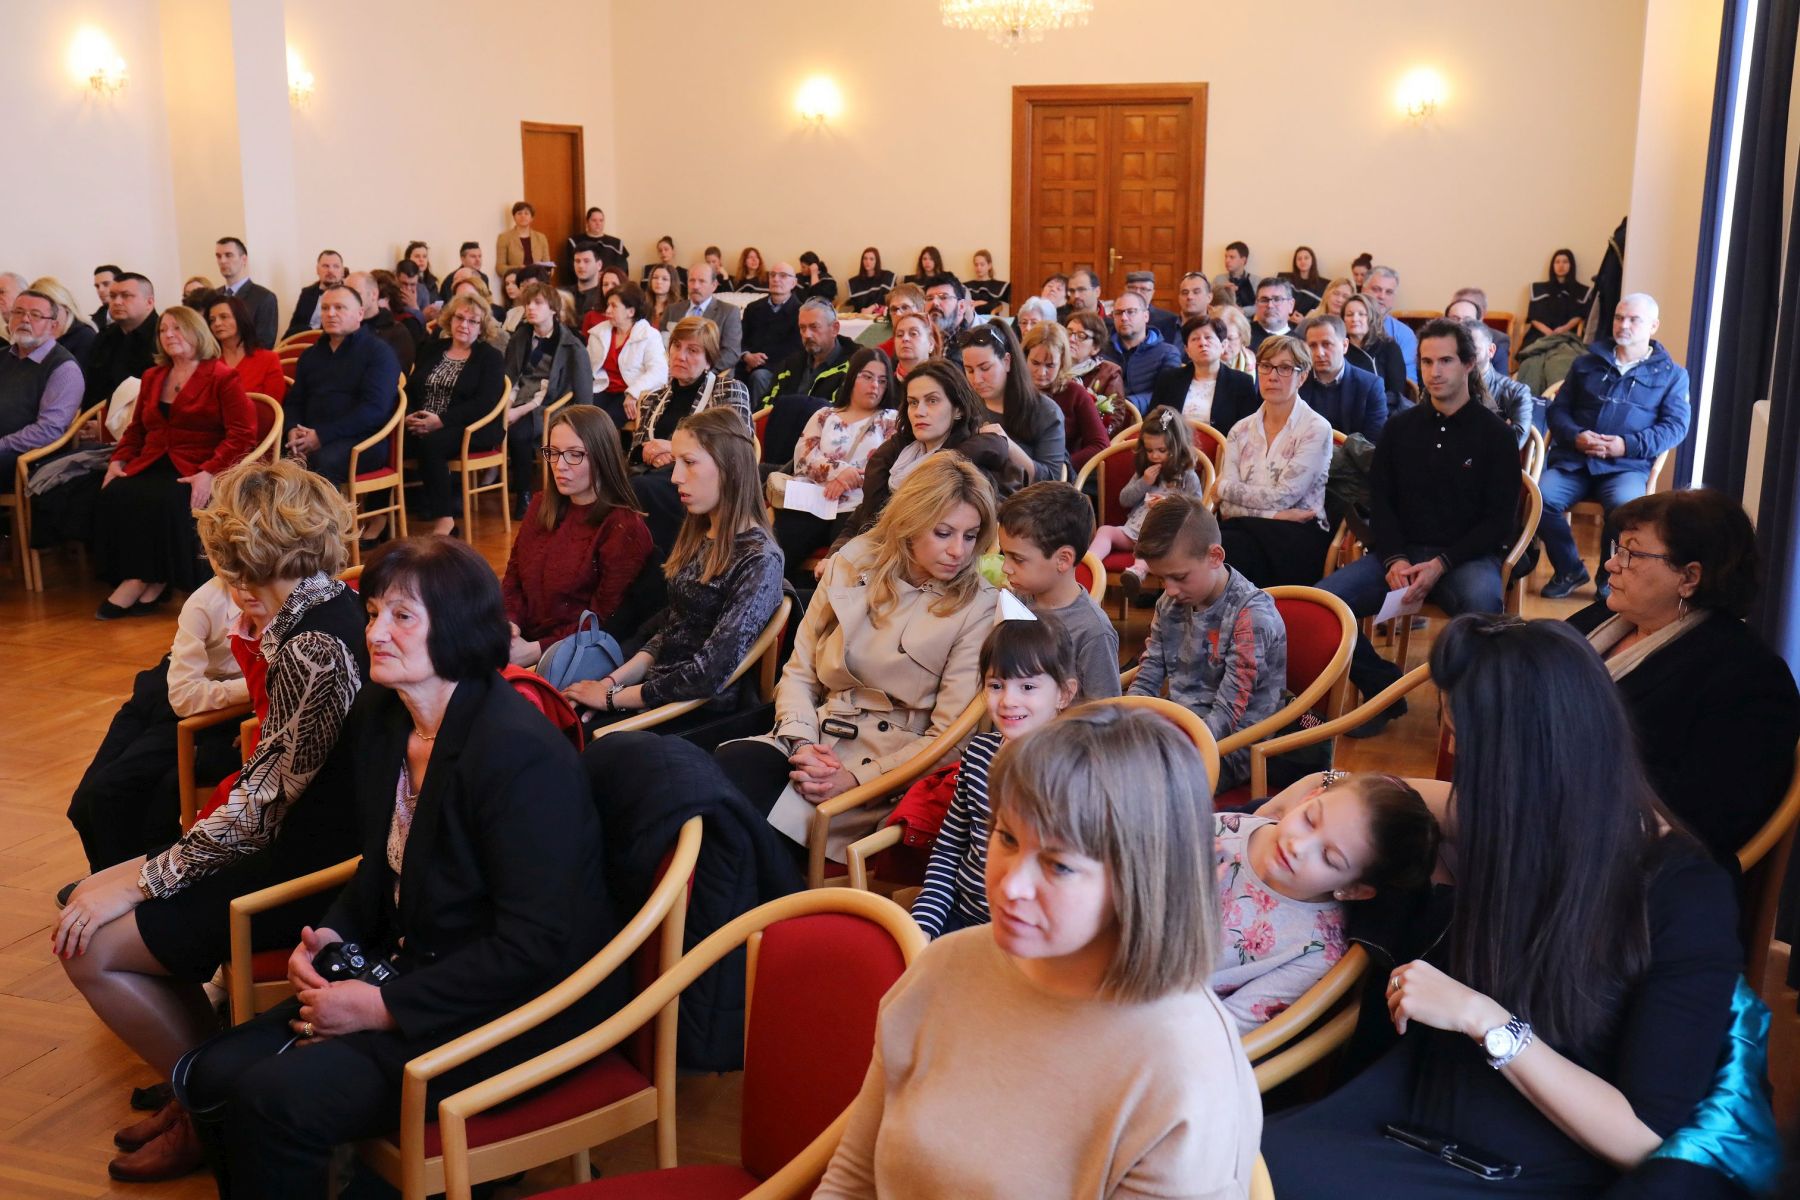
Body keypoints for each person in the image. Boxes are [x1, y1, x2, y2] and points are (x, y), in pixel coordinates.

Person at [175, 535, 623, 1200]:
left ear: (461, 631)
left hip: (514, 1009)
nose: (376, 632)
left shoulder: (517, 754)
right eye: (374, 612)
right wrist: (327, 938)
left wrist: (384, 1007)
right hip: (420, 966)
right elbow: (377, 867)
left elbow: (537, 944)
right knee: (209, 1076)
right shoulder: (386, 718)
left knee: (272, 1099)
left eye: (401, 617)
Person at [1265, 615, 1750, 1200]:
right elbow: (1414, 800)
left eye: (1463, 742)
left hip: (1534, 1154)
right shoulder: (1517, 822)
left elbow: (1644, 1138)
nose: (1453, 753)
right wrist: (1324, 786)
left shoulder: (1684, 896)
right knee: (1214, 1160)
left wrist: (1485, 1020)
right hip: (1427, 1105)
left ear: (1528, 763)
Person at [57, 459, 367, 1183]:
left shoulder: (315, 643)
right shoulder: (318, 611)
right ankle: (198, 1090)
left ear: (242, 552)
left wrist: (144, 880)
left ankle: (204, 1102)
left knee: (87, 947)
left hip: (308, 875)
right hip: (290, 846)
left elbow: (260, 810)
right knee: (84, 907)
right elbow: (263, 791)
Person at [814, 705, 1261, 1199]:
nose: (1010, 885)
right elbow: (854, 1174)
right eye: (1007, 837)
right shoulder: (944, 966)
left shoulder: (1182, 1069)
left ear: (1142, 881)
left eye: (1058, 865)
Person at [718, 453, 1000, 862]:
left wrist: (854, 779)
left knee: (738, 815)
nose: (958, 551)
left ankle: (753, 918)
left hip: (888, 771)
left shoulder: (978, 607)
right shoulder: (853, 561)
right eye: (943, 533)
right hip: (815, 740)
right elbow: (799, 673)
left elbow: (948, 740)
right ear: (910, 523)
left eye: (971, 536)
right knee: (725, 772)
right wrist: (802, 744)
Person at [1567, 489, 1800, 863]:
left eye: (1632, 553)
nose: (1611, 565)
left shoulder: (1747, 678)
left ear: (1690, 577)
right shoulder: (1602, 619)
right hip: (1547, 824)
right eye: (1617, 548)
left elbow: (1705, 819)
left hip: (1626, 872)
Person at [1317, 319, 1520, 733]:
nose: (1434, 372)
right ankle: (1382, 692)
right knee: (1323, 607)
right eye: (1426, 361)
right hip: (1400, 555)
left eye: (1445, 360)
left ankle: (1472, 724)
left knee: (1484, 613)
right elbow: (1382, 502)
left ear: (1468, 364)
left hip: (1464, 559)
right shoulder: (1400, 428)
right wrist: (1393, 558)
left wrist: (1441, 564)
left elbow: (1499, 520)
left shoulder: (1495, 434)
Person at [563, 407, 785, 730]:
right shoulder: (699, 530)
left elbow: (707, 675)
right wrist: (612, 682)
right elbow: (673, 629)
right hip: (657, 693)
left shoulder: (760, 558)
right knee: (563, 717)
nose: (675, 476)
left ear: (731, 468)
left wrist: (613, 697)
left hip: (699, 712)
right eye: (676, 462)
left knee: (573, 737)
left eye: (689, 462)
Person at [1212, 773, 1438, 1031]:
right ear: (1310, 797)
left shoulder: (1316, 951)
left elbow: (1225, 1028)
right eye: (1309, 819)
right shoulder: (1226, 829)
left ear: (1353, 889)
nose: (1298, 846)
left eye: (1329, 857)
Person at [910, 618, 1082, 938]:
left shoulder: (1074, 775)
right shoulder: (978, 754)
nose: (1008, 701)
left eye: (1027, 687)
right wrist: (923, 924)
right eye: (996, 685)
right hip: (961, 918)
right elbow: (949, 849)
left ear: (1063, 694)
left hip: (1030, 931)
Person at [66, 577, 248, 872]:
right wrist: (252, 688)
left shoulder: (279, 597)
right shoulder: (205, 601)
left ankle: (128, 885)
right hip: (173, 691)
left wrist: (254, 694)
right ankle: (110, 880)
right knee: (83, 805)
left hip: (211, 710)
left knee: (111, 794)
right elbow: (184, 694)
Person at [95, 307, 259, 618]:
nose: (169, 335)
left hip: (199, 464)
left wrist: (209, 472)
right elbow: (137, 429)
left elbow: (242, 435)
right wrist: (118, 460)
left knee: (169, 499)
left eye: (178, 328)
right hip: (154, 459)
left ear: (197, 332)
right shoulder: (154, 375)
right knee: (117, 492)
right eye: (163, 330)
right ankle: (145, 577)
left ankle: (148, 580)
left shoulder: (222, 376)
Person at [1127, 495, 1287, 789]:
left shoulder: (1252, 617)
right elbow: (1148, 675)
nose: (1170, 590)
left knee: (1138, 786)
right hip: (1181, 731)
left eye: (1179, 577)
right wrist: (1127, 722)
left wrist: (1166, 745)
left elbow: (1227, 716)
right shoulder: (1169, 603)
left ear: (1215, 556)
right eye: (1162, 579)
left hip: (1232, 746)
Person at [1538, 293, 1690, 600]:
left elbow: (1675, 427)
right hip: (1575, 461)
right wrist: (1577, 436)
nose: (1624, 325)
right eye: (1620, 318)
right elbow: (1557, 410)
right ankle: (1569, 569)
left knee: (1627, 508)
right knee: (1539, 497)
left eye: (1634, 319)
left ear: (1653, 326)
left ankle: (1608, 577)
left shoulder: (1672, 375)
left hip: (1626, 466)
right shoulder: (1585, 363)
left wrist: (1625, 446)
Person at [504, 404, 653, 666]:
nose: (560, 466)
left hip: (571, 655)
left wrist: (536, 650)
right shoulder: (541, 505)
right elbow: (514, 577)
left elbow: (603, 619)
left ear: (602, 457)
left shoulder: (622, 526)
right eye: (553, 453)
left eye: (574, 455)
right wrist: (509, 623)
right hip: (520, 642)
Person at [831, 360, 1018, 556]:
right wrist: (835, 554)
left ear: (958, 410)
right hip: (884, 556)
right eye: (913, 402)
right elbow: (863, 515)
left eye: (932, 401)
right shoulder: (898, 455)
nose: (919, 412)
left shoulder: (969, 466)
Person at [769, 346, 901, 582]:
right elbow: (803, 457)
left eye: (882, 381)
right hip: (814, 501)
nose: (875, 386)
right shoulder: (825, 415)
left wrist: (852, 478)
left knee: (846, 563)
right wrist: (841, 473)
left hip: (857, 505)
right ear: (852, 377)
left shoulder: (890, 419)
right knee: (777, 554)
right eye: (868, 377)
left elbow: (892, 464)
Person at [1215, 335, 1336, 588]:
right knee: (1216, 547)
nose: (1272, 376)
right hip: (1249, 526)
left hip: (1298, 533)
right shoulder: (1240, 430)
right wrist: (1276, 514)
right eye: (1266, 366)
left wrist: (1224, 488)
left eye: (1284, 368)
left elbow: (1285, 496)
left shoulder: (1315, 428)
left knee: (1223, 552)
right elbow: (1226, 509)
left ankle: (1233, 623)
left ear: (1301, 377)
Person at [631, 315, 754, 551]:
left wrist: (674, 451)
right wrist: (647, 450)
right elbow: (636, 448)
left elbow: (738, 447)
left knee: (639, 489)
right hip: (650, 475)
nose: (681, 355)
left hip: (702, 480)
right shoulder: (653, 397)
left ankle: (660, 565)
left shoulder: (728, 389)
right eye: (677, 346)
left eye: (693, 350)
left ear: (708, 360)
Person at [996, 481, 1121, 699]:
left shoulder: (1093, 631)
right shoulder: (1017, 600)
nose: (1006, 567)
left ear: (1063, 560)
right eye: (1004, 555)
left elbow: (1107, 714)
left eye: (1017, 559)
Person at [403, 293, 507, 536]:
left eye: (473, 321)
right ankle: (381, 520)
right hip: (423, 423)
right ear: (449, 319)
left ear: (481, 327)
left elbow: (484, 403)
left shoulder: (489, 357)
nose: (464, 325)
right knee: (388, 442)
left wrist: (440, 421)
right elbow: (409, 389)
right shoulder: (432, 348)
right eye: (460, 318)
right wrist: (408, 416)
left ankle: (445, 521)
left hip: (472, 427)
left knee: (431, 444)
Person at [282, 283, 403, 488]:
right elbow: (295, 402)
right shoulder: (311, 355)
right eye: (325, 308)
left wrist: (322, 435)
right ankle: (290, 521)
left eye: (339, 307)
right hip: (311, 436)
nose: (330, 314)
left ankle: (330, 521)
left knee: (321, 462)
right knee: (276, 463)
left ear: (360, 313)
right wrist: (293, 429)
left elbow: (374, 410)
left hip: (363, 440)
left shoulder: (379, 353)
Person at [1088, 404, 1205, 589]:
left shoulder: (1187, 476)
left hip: (1162, 535)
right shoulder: (1145, 471)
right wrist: (1144, 482)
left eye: (1161, 450)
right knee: (1106, 531)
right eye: (1150, 451)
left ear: (1176, 446)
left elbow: (1198, 507)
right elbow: (1124, 500)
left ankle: (1137, 572)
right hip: (1132, 531)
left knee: (1151, 545)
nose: (1155, 456)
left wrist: (1169, 505)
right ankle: (1089, 566)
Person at [503, 279, 592, 516]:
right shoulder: (520, 336)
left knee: (518, 433)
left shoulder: (571, 344)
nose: (530, 308)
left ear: (553, 309)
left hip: (549, 406)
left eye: (538, 303)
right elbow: (511, 376)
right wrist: (506, 407)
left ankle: (523, 494)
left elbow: (581, 389)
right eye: (528, 303)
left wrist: (518, 412)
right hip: (515, 401)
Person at [956, 320, 1067, 482]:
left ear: (1006, 362)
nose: (977, 379)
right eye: (969, 370)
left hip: (1026, 501)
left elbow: (1052, 481)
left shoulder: (1045, 411)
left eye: (985, 368)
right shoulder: (965, 405)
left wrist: (1007, 444)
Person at [759, 298, 859, 470]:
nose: (807, 335)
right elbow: (766, 403)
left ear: (834, 328)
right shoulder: (790, 364)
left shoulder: (854, 365)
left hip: (825, 455)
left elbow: (845, 412)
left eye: (814, 327)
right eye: (802, 328)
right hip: (780, 449)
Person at [0, 289, 84, 485]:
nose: (25, 320)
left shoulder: (63, 368)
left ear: (53, 326)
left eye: (35, 315)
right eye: (18, 312)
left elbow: (48, 430)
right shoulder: (3, 356)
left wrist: (2, 445)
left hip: (26, 457)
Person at [1020, 321, 1108, 473]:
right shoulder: (1012, 389)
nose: (1041, 373)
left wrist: (1063, 466)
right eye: (1035, 363)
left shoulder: (1075, 393)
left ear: (1062, 363)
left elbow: (1100, 444)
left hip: (1059, 478)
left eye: (1050, 365)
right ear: (1024, 357)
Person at [1150, 314, 1261, 433]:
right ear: (1187, 350)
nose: (1202, 343)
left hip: (1223, 448)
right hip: (1174, 448)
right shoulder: (1170, 379)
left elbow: (1246, 429)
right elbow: (1159, 422)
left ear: (1223, 345)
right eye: (1195, 339)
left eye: (1208, 337)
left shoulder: (1241, 382)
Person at [585, 281, 668, 434]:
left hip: (630, 392)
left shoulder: (649, 335)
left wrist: (634, 393)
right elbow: (586, 368)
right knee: (583, 417)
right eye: (608, 305)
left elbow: (659, 372)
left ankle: (602, 456)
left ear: (630, 312)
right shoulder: (598, 333)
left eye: (614, 306)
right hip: (602, 388)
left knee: (603, 423)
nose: (608, 310)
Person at [1297, 314, 1388, 442]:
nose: (1319, 353)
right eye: (1312, 346)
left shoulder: (1370, 385)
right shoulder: (1296, 382)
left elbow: (1374, 442)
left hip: (1353, 459)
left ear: (1345, 345)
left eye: (1327, 344)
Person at [86, 272, 159, 405]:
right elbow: (91, 385)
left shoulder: (163, 337)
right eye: (113, 296)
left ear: (149, 302)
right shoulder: (104, 337)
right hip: (95, 418)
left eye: (126, 296)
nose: (117, 302)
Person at [1105, 290, 1183, 409]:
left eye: (1131, 312)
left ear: (1146, 316)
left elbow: (1167, 395)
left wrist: (1128, 404)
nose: (1124, 318)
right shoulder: (1102, 350)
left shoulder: (1167, 353)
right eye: (1118, 313)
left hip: (1146, 421)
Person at [662, 262, 743, 372]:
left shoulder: (729, 312)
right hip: (671, 372)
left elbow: (731, 352)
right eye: (692, 280)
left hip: (711, 375)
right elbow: (660, 346)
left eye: (702, 281)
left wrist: (701, 370)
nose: (695, 286)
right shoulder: (672, 310)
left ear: (714, 285)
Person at [204, 292, 285, 402]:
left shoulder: (269, 359)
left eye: (224, 317)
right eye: (212, 320)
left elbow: (271, 407)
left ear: (240, 319)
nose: (217, 323)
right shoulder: (207, 363)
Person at [1464, 320, 1533, 447]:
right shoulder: (1441, 387)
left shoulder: (1516, 392)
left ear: (1491, 350)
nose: (1465, 357)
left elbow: (1515, 441)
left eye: (1473, 350)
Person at [739, 261, 801, 398]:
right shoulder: (752, 308)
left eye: (783, 276)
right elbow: (740, 337)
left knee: (760, 376)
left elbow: (795, 348)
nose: (776, 279)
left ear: (793, 283)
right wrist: (746, 356)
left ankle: (756, 418)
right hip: (747, 364)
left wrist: (759, 363)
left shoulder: (801, 311)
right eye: (772, 275)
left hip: (781, 368)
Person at [211, 238, 278, 348]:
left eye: (228, 255)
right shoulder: (213, 296)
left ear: (244, 259)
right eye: (218, 256)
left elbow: (265, 342)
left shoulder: (264, 297)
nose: (222, 261)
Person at [1342, 291, 1407, 404]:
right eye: (1349, 314)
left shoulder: (1389, 347)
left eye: (1361, 314)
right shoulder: (1339, 348)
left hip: (1382, 408)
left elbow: (1396, 392)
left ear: (1372, 317)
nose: (1354, 319)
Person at [352, 270, 418, 378]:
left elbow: (396, 378)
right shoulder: (343, 327)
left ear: (374, 294)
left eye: (356, 294)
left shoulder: (397, 332)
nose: (348, 300)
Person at [1524, 248, 1590, 348]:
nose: (1561, 265)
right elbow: (1533, 318)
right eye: (1557, 262)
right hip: (1539, 336)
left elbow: (1580, 315)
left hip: (1567, 336)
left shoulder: (1581, 291)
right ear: (1552, 265)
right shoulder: (1538, 289)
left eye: (1565, 262)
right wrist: (1548, 333)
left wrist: (1564, 329)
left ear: (1571, 265)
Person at [1361, 265, 1419, 378]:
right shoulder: (1344, 325)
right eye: (1376, 289)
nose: (1382, 296)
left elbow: (1409, 383)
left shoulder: (1404, 334)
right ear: (1363, 290)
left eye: (1388, 292)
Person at [29, 276, 98, 367]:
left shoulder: (84, 337)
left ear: (65, 306)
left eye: (50, 307)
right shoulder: (37, 337)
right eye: (36, 311)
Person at [1446, 287, 1511, 376]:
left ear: (1480, 317)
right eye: (1454, 318)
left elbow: (1500, 381)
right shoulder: (1435, 338)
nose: (1460, 324)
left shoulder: (1498, 341)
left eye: (1467, 319)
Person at [282, 249, 346, 338]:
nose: (330, 270)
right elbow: (293, 327)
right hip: (304, 343)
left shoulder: (350, 296)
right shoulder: (306, 293)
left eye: (335, 266)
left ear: (342, 271)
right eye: (325, 266)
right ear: (317, 270)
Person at [924, 275, 975, 363]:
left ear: (961, 307)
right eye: (929, 298)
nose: (934, 302)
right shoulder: (920, 338)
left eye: (943, 297)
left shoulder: (972, 345)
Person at [496, 201, 550, 278]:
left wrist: (547, 272)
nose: (523, 216)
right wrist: (518, 268)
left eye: (526, 213)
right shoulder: (504, 237)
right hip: (516, 279)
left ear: (532, 218)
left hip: (538, 280)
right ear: (514, 217)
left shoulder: (541, 238)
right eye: (519, 213)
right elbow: (500, 268)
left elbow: (547, 264)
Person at [569, 205, 628, 275]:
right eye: (594, 220)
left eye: (601, 220)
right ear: (587, 222)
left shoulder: (617, 243)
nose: (598, 223)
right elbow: (571, 268)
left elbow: (623, 269)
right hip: (586, 283)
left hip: (611, 283)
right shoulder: (575, 242)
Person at [1125, 270, 1181, 342]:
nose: (1137, 292)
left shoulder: (1168, 320)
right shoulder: (1115, 318)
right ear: (1125, 290)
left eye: (1143, 289)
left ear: (1152, 292)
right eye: (1132, 288)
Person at [1210, 302, 1258, 375]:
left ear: (1242, 336)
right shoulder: (1199, 364)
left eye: (1230, 339)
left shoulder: (1252, 361)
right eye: (1219, 338)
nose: (1225, 345)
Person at [846, 247, 895, 315]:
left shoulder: (886, 276)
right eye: (865, 258)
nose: (867, 262)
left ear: (876, 261)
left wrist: (873, 307)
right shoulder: (855, 283)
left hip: (881, 316)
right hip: (861, 317)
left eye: (871, 259)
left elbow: (890, 299)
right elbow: (855, 305)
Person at [1250, 278, 1297, 348]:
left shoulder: (1300, 344)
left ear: (1291, 305)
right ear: (1256, 305)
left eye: (1277, 299)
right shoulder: (1242, 337)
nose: (1270, 305)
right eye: (1264, 300)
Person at [1280, 245, 1329, 313]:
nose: (1303, 261)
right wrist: (1288, 317)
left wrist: (1304, 320)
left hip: (1310, 322)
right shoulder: (1285, 280)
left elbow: (1321, 311)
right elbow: (1278, 302)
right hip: (1285, 319)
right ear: (1295, 262)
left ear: (1312, 260)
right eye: (1299, 259)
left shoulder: (1324, 285)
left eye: (1306, 258)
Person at [568, 244, 605, 327]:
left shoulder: (604, 296)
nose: (581, 266)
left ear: (599, 265)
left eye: (586, 261)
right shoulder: (564, 294)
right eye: (577, 261)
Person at [968, 248, 1011, 317]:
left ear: (989, 265)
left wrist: (980, 303)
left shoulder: (998, 286)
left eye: (982, 264)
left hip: (992, 323)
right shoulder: (967, 286)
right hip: (972, 322)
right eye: (976, 265)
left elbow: (1000, 305)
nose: (978, 268)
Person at [1215, 239, 1258, 307]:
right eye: (1226, 257)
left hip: (1248, 317)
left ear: (1243, 260)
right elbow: (1210, 302)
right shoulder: (1218, 280)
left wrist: (1243, 311)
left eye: (1232, 257)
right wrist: (1221, 291)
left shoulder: (1256, 281)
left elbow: (1260, 305)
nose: (1227, 260)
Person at [401, 240, 439, 309]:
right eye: (417, 256)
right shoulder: (405, 282)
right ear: (408, 259)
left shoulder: (432, 282)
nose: (421, 260)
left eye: (424, 256)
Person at [644, 263, 679, 330]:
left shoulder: (679, 308)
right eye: (655, 277)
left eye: (664, 279)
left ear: (672, 282)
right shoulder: (643, 305)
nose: (659, 282)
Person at [92, 264, 121, 329]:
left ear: (121, 284)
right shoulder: (95, 321)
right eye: (97, 286)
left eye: (106, 284)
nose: (100, 290)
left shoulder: (137, 315)